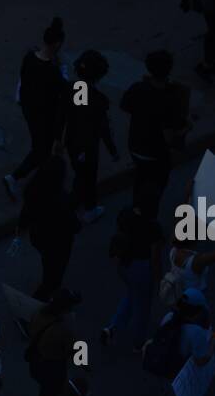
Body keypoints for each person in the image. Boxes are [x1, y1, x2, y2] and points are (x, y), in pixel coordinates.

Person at [3, 18, 67, 195]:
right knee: (42, 150)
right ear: (57, 44)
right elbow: (63, 92)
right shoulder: (52, 70)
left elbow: (23, 81)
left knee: (42, 148)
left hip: (30, 110)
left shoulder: (29, 57)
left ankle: (41, 180)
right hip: (45, 115)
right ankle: (15, 178)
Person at [54, 50, 119, 221]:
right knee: (86, 177)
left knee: (82, 175)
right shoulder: (98, 99)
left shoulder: (69, 89)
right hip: (87, 146)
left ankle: (87, 205)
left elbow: (61, 115)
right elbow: (104, 128)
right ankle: (80, 209)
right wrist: (112, 150)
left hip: (72, 141)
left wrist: (57, 139)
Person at [121, 51, 187, 219]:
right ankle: (147, 220)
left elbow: (125, 105)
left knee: (141, 178)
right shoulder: (171, 98)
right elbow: (169, 138)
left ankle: (136, 208)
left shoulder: (138, 88)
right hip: (156, 154)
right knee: (155, 189)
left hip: (135, 146)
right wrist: (187, 128)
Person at [17, 154, 81, 302]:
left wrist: (21, 227)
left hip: (39, 237)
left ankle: (50, 288)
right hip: (59, 241)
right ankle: (40, 301)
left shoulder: (32, 189)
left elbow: (26, 212)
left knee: (49, 264)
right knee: (54, 272)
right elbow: (71, 222)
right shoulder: (60, 198)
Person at [24, 288, 80, 396]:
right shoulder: (63, 329)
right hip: (53, 371)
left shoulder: (38, 314)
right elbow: (76, 351)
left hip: (37, 363)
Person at [101, 203, 164, 351]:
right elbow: (155, 256)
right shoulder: (153, 227)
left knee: (131, 295)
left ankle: (112, 329)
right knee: (142, 308)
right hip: (141, 268)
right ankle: (139, 342)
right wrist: (159, 277)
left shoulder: (126, 214)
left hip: (124, 266)